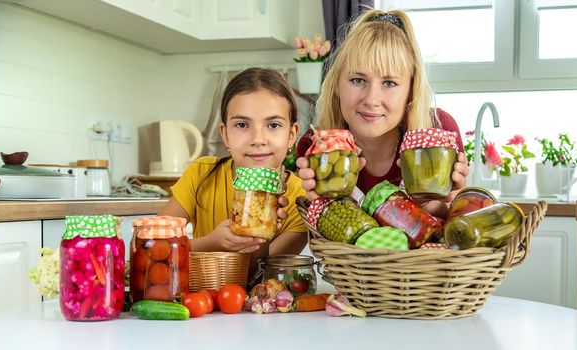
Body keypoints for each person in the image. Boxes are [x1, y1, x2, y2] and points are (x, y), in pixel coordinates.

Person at [296, 9, 469, 219]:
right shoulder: (315, 147)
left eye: (389, 83)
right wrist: (322, 205)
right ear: (336, 85)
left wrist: (431, 201)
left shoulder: (439, 132)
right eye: (357, 80)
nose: (371, 99)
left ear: (411, 90)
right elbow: (329, 241)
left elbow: (456, 230)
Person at [159, 67, 307, 260]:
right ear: (224, 134)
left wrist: (260, 238)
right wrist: (212, 242)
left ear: (292, 135)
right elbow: (152, 247)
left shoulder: (301, 201)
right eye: (242, 125)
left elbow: (261, 277)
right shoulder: (201, 174)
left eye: (273, 125)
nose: (258, 139)